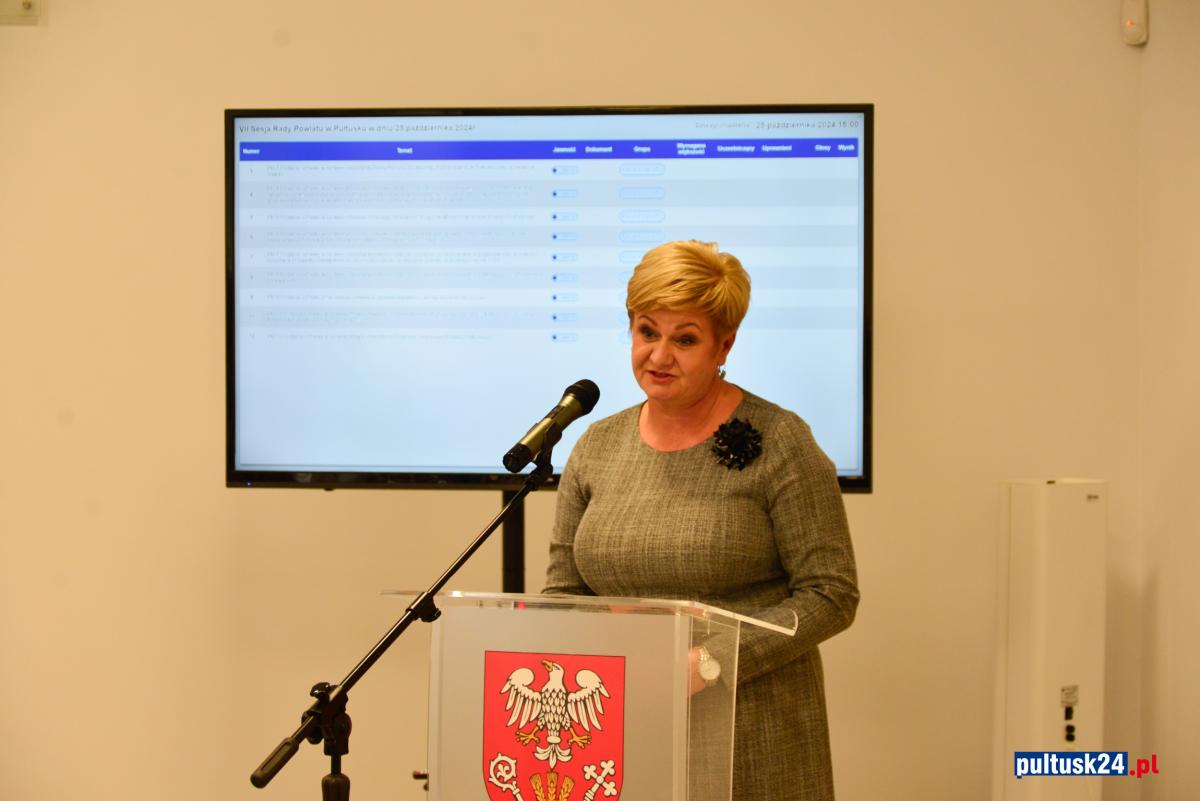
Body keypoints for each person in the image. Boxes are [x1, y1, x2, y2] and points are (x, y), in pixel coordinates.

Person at [543, 240, 859, 801]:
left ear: (724, 345)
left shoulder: (781, 440)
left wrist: (712, 661)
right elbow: (564, 593)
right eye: (647, 332)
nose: (659, 356)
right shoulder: (597, 444)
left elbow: (831, 594)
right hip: (621, 726)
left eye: (684, 339)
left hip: (754, 732)